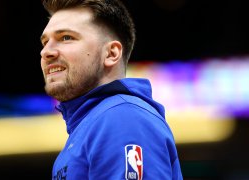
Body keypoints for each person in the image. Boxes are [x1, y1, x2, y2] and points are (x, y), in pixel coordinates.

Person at [39, 0, 183, 179]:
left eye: (66, 38)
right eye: (45, 42)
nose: (46, 52)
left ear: (111, 54)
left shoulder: (122, 118)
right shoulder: (89, 126)